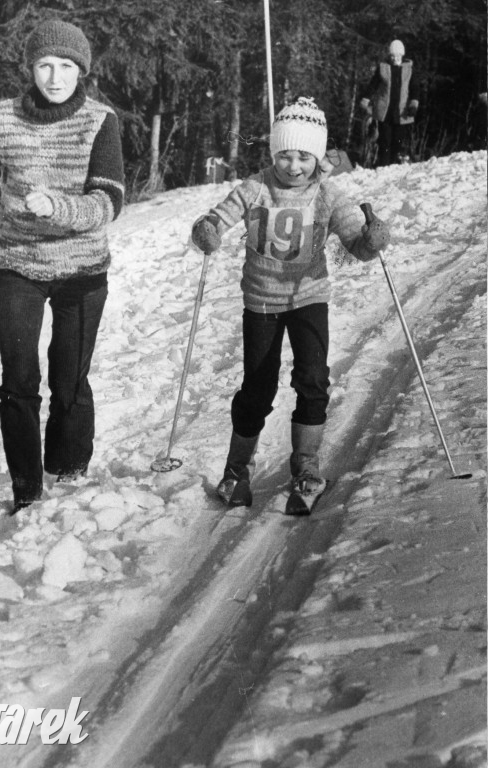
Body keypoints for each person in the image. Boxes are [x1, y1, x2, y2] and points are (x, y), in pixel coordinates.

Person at [0, 19, 125, 514]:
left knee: (69, 380)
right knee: (18, 378)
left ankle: (68, 472)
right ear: (30, 68)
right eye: (45, 65)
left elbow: (109, 201)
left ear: (81, 71)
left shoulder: (100, 121)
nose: (55, 77)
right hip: (19, 265)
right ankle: (26, 488)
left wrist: (59, 208)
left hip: (82, 269)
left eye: (66, 66)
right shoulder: (4, 118)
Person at [191, 97, 390, 513]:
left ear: (317, 157)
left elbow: (356, 244)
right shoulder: (255, 188)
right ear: (272, 152)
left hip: (308, 298)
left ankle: (306, 467)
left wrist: (371, 240)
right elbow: (216, 218)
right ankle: (236, 471)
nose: (293, 166)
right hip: (261, 301)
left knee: (313, 380)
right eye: (284, 155)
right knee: (258, 386)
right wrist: (207, 230)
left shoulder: (327, 194)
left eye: (304, 156)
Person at [360, 40, 420, 166]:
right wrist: (366, 99)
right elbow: (373, 85)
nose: (394, 58)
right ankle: (383, 166)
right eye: (392, 55)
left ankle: (393, 167)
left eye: (397, 55)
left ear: (402, 55)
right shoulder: (383, 68)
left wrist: (413, 104)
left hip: (402, 112)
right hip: (384, 111)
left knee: (397, 142)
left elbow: (415, 88)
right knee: (384, 141)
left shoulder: (409, 69)